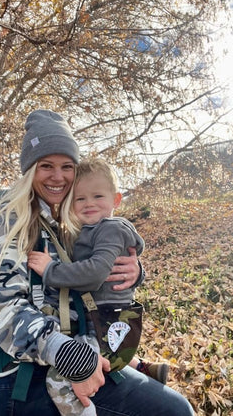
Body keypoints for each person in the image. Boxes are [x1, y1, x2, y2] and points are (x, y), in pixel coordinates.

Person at [0, 109, 194, 416]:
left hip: (73, 361)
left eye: (67, 166)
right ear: (29, 169)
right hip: (21, 379)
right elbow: (4, 312)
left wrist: (130, 274)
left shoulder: (63, 222)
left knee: (175, 408)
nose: (58, 176)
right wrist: (72, 356)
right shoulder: (10, 217)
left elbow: (85, 279)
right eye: (46, 166)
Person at [27, 157, 169, 416]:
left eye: (97, 196)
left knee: (58, 379)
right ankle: (140, 367)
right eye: (80, 199)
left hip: (103, 319)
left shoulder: (110, 229)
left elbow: (94, 273)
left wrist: (50, 270)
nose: (89, 204)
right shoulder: (90, 230)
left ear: (116, 200)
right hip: (100, 316)